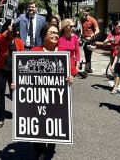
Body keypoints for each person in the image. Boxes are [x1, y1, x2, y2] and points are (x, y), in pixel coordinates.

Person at [30, 24, 74, 159]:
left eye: (57, 33)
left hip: (56, 97)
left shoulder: (63, 52)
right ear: (44, 36)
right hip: (37, 97)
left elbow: (72, 70)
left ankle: (52, 144)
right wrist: (17, 85)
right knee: (37, 123)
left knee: (53, 122)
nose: (55, 35)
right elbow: (23, 75)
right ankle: (40, 151)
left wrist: (71, 77)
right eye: (52, 33)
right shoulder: (34, 51)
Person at [0, 21, 24, 128]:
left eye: (11, 30)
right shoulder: (2, 39)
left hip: (14, 71)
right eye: (8, 30)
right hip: (1, 70)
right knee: (0, 94)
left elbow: (22, 57)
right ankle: (1, 117)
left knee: (15, 94)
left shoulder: (19, 42)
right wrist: (6, 31)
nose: (10, 32)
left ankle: (19, 113)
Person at [95, 21, 120, 94]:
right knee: (114, 71)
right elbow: (104, 43)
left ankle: (115, 86)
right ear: (115, 26)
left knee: (116, 70)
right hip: (112, 53)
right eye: (119, 26)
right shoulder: (111, 34)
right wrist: (109, 40)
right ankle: (116, 83)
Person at [81, 8, 100, 73]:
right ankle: (88, 68)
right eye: (83, 11)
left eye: (85, 11)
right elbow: (82, 29)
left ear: (88, 12)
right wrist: (81, 36)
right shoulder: (82, 20)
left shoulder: (92, 20)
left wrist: (91, 36)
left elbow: (98, 30)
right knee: (86, 54)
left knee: (89, 54)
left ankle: (88, 69)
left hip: (90, 40)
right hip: (84, 39)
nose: (83, 12)